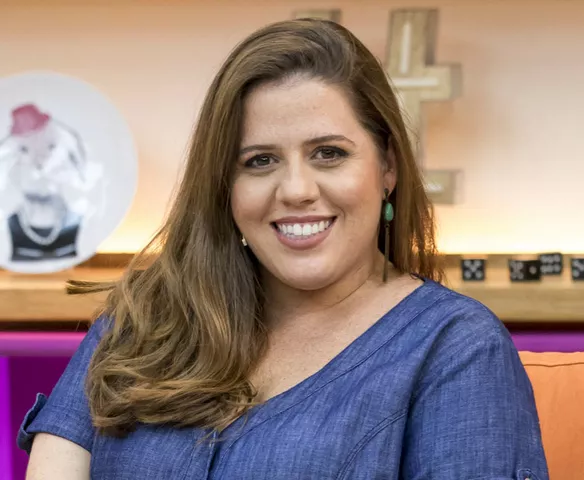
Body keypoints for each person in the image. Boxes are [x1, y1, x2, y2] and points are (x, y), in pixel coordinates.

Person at [18, 18, 549, 480]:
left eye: (329, 153)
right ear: (225, 186)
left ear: (386, 167)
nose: (295, 190)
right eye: (260, 161)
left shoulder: (457, 349)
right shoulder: (144, 318)